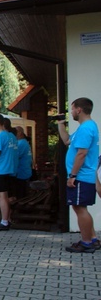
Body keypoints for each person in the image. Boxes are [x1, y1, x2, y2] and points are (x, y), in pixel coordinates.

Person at [58, 97, 99, 253]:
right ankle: (93, 239)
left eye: (72, 109)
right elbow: (67, 141)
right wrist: (61, 124)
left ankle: (87, 242)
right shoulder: (85, 127)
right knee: (80, 208)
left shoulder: (86, 128)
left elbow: (81, 153)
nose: (72, 112)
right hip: (82, 176)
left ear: (79, 110)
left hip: (80, 176)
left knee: (80, 208)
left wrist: (73, 175)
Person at [14, 126, 33, 200]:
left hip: (21, 173)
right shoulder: (24, 142)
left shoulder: (20, 144)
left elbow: (15, 156)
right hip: (25, 171)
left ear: (20, 133)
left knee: (20, 195)